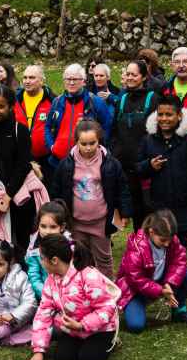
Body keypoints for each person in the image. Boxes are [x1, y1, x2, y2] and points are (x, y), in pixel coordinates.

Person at [139, 91, 187, 307]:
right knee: (166, 252)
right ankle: (166, 291)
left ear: (179, 116)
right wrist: (148, 167)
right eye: (160, 114)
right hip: (161, 209)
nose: (164, 119)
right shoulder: (148, 141)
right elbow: (137, 169)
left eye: (169, 115)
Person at [22, 234, 121, 360]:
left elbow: (107, 307)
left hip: (100, 330)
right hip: (73, 331)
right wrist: (39, 350)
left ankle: (110, 341)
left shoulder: (88, 275)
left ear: (54, 260)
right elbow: (43, 313)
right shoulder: (51, 280)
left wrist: (82, 325)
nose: (41, 262)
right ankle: (82, 345)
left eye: (42, 258)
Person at [46, 119, 129, 278]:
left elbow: (121, 188)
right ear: (76, 142)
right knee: (79, 257)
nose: (88, 147)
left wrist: (124, 213)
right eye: (83, 144)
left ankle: (106, 291)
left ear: (99, 141)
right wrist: (57, 215)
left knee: (103, 259)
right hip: (75, 222)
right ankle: (82, 288)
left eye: (92, 143)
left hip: (100, 222)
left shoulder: (110, 163)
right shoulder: (66, 164)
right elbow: (57, 190)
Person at [116, 210, 187, 331]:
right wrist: (161, 290)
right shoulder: (136, 248)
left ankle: (179, 310)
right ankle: (137, 305)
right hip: (135, 290)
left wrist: (169, 283)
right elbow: (135, 279)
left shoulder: (171, 240)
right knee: (136, 326)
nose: (167, 244)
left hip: (159, 281)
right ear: (151, 232)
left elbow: (179, 261)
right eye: (163, 240)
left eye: (169, 240)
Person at [0, 90, 36, 248]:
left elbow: (23, 166)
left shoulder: (20, 131)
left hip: (19, 196)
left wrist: (8, 196)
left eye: (0, 107)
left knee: (22, 243)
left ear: (11, 107)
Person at [108, 60, 157, 228]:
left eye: (134, 75)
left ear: (143, 77)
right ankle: (139, 248)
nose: (129, 78)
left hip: (146, 166)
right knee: (134, 210)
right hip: (125, 166)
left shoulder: (153, 98)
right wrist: (115, 153)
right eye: (127, 74)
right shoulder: (122, 99)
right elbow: (114, 130)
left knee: (149, 209)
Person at [36, 64, 112, 170]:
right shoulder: (57, 102)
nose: (71, 82)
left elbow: (107, 128)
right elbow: (48, 127)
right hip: (58, 162)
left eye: (75, 79)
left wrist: (96, 149)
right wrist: (52, 147)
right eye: (68, 79)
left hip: (86, 164)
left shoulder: (95, 102)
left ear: (83, 81)